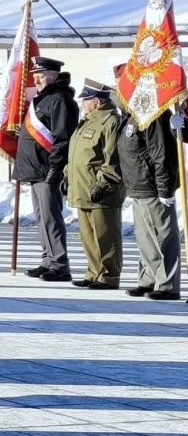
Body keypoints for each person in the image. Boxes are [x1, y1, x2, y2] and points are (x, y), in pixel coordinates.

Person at [115, 81, 182, 300]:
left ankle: (167, 285)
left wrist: (164, 190)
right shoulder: (131, 117)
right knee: (145, 239)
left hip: (153, 187)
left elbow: (160, 155)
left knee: (163, 238)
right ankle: (148, 280)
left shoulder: (151, 116)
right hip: (138, 187)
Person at [16, 57, 78, 282]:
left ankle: (60, 264)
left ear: (54, 74)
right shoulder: (43, 99)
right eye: (35, 75)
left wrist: (56, 167)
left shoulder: (59, 100)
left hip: (47, 169)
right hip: (36, 169)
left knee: (51, 219)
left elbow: (62, 138)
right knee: (42, 218)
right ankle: (48, 260)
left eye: (41, 74)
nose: (37, 78)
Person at [67, 80, 125, 289]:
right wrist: (67, 175)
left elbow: (112, 158)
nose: (83, 103)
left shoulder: (110, 121)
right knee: (88, 236)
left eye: (86, 100)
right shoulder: (88, 120)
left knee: (105, 235)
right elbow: (77, 154)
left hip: (101, 189)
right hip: (82, 187)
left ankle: (109, 275)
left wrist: (103, 184)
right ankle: (94, 272)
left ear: (97, 101)